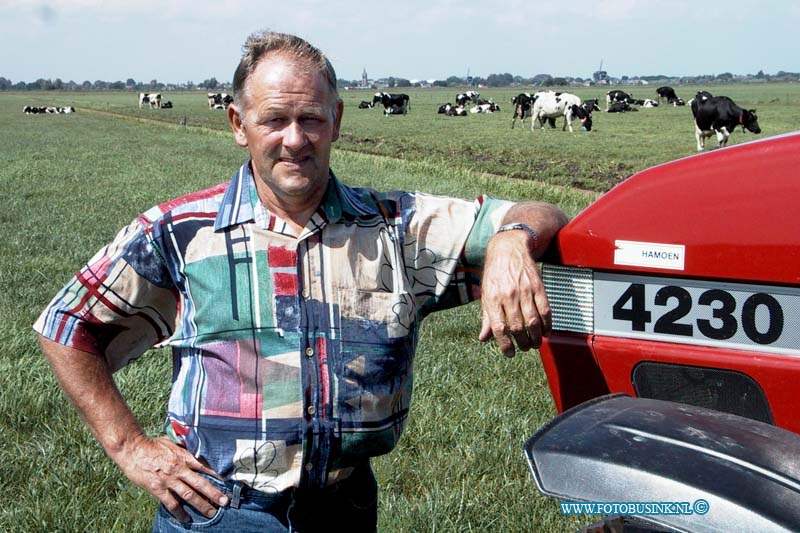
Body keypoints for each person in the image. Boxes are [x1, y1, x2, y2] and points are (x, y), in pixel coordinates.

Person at [34, 30, 568, 532]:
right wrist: (129, 447)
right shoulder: (180, 231)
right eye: (275, 120)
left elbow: (543, 212)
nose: (295, 140)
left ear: (336, 120)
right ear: (238, 124)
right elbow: (66, 324)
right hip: (219, 511)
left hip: (345, 508)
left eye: (311, 118)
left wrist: (510, 240)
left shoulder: (396, 227)